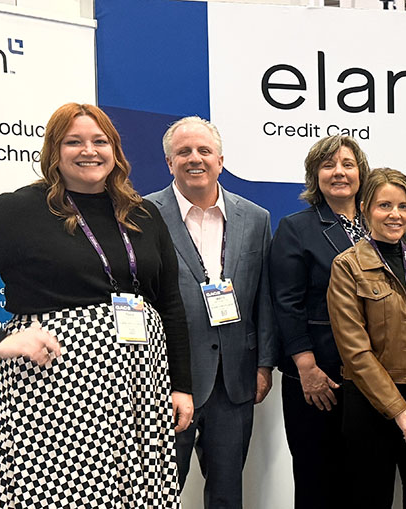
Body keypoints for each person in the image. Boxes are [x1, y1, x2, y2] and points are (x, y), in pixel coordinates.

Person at [0, 103, 191, 507]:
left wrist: (180, 385)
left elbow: (169, 301)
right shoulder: (19, 209)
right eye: (74, 142)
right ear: (54, 151)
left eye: (100, 141)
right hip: (56, 385)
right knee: (63, 494)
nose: (89, 150)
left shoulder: (142, 212)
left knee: (140, 494)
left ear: (115, 150)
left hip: (142, 379)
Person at [145, 116, 277, 509]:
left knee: (226, 494)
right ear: (169, 162)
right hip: (165, 378)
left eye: (204, 151)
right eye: (183, 152)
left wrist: (265, 365)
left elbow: (264, 300)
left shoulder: (255, 218)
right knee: (157, 493)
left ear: (221, 160)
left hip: (234, 380)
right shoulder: (141, 215)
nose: (194, 159)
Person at [327, 167, 406, 509]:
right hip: (371, 406)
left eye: (403, 206)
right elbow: (355, 352)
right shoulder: (347, 266)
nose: (395, 215)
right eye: (384, 205)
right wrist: (399, 411)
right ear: (365, 208)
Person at [269, 135, 370, 509]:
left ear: (362, 172)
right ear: (315, 175)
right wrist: (306, 366)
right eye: (328, 165)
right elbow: (286, 303)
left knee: (363, 481)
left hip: (370, 376)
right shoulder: (297, 228)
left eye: (347, 164)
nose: (339, 172)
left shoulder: (380, 223)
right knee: (317, 481)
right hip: (319, 377)